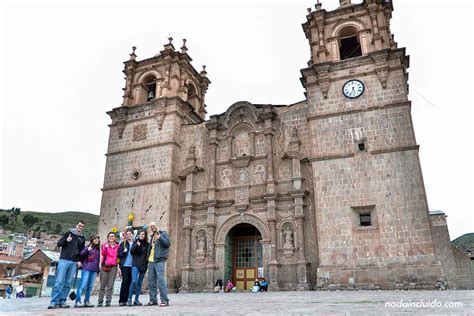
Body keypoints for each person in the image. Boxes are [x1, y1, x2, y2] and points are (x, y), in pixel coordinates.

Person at [48, 221, 86, 309]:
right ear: (76, 225)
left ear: (83, 228)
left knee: (68, 283)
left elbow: (81, 251)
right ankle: (54, 302)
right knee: (59, 282)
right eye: (79, 225)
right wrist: (66, 240)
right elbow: (59, 244)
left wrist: (79, 260)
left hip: (73, 262)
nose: (80, 227)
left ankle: (62, 301)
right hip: (64, 260)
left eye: (82, 226)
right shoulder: (68, 233)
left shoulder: (82, 238)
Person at [147, 221, 170, 307]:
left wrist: (160, 237)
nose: (152, 227)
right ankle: (153, 300)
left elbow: (168, 244)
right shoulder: (152, 237)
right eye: (151, 227)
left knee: (161, 280)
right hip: (151, 261)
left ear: (157, 226)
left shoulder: (163, 233)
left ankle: (165, 300)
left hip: (159, 260)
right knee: (151, 282)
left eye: (153, 226)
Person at [74, 235, 100, 307]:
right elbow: (81, 255)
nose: (96, 240)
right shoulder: (87, 247)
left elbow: (98, 260)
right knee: (82, 285)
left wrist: (98, 270)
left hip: (94, 270)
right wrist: (87, 250)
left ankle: (87, 301)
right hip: (86, 269)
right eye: (95, 239)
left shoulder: (98, 249)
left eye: (97, 239)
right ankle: (77, 301)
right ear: (92, 240)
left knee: (90, 286)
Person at [128, 229, 149, 306]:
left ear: (145, 235)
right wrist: (137, 245)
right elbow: (131, 251)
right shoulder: (135, 242)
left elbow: (147, 254)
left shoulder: (147, 244)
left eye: (143, 234)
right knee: (134, 281)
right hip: (135, 264)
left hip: (143, 265)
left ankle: (136, 300)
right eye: (140, 234)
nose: (141, 235)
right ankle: (129, 299)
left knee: (139, 283)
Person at [98, 231, 119, 307]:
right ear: (108, 238)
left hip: (113, 267)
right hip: (105, 266)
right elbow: (103, 254)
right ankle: (100, 300)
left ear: (115, 238)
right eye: (110, 236)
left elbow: (118, 256)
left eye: (113, 236)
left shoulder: (118, 246)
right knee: (103, 285)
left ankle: (108, 300)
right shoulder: (104, 245)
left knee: (110, 285)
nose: (111, 237)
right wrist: (106, 247)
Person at [118, 229, 134, 306]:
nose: (128, 235)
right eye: (127, 234)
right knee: (125, 281)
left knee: (130, 282)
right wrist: (123, 252)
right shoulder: (123, 244)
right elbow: (119, 254)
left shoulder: (135, 243)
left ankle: (126, 299)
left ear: (132, 234)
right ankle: (121, 300)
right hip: (124, 265)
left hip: (132, 266)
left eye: (130, 234)